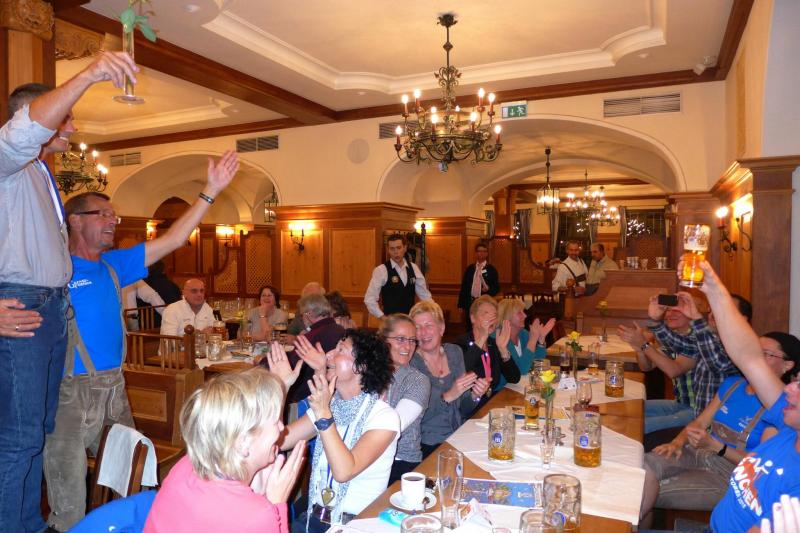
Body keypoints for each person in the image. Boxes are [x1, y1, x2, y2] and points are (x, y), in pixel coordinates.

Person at [44, 151, 239, 531]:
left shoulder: (114, 265)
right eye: (102, 214)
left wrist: (211, 191)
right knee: (69, 504)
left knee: (133, 479)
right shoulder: (55, 269)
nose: (112, 221)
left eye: (113, 216)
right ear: (74, 220)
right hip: (70, 395)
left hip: (114, 388)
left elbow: (175, 238)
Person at [0, 50, 139, 533]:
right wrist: (92, 72)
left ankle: (29, 524)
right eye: (65, 118)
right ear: (33, 118)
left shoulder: (38, 174)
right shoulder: (9, 161)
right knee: (19, 438)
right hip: (25, 303)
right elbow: (21, 134)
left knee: (36, 433)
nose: (73, 127)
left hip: (50, 308)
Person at [675, 261, 800, 532]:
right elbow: (749, 358)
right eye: (796, 382)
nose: (790, 388)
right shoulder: (790, 428)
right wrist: (713, 288)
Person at [641, 332, 799, 518]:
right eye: (755, 351)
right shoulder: (733, 385)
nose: (756, 358)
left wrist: (717, 446)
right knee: (641, 470)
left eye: (766, 353)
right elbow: (700, 422)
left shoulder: (783, 411)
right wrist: (676, 443)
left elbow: (757, 466)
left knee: (647, 491)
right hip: (698, 452)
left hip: (729, 474)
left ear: (788, 365)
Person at [143, 368, 306, 533]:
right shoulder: (259, 515)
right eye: (275, 422)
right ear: (243, 443)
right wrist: (277, 502)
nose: (282, 427)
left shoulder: (185, 465)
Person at [281, 329, 400, 532]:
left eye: (340, 349)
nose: (328, 355)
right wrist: (282, 387)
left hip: (354, 525)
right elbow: (280, 441)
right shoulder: (329, 406)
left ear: (361, 366)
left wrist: (323, 415)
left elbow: (344, 471)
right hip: (313, 519)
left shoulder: (384, 417)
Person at [409, 301, 489, 457]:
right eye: (417, 327)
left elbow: (463, 408)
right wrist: (448, 396)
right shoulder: (412, 363)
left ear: (442, 328)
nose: (423, 332)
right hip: (424, 444)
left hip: (457, 436)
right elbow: (415, 417)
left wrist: (475, 395)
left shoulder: (454, 352)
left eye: (428, 325)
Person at [618, 302, 699, 434]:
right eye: (668, 310)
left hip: (698, 411)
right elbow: (647, 367)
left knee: (634, 427)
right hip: (679, 403)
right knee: (625, 409)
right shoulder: (676, 338)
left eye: (677, 310)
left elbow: (674, 370)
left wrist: (644, 344)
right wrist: (639, 350)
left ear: (692, 313)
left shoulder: (697, 339)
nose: (670, 314)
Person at [379, 314, 431, 483]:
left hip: (401, 463)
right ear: (383, 340)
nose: (408, 347)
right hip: (365, 458)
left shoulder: (418, 381)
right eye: (400, 339)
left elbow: (393, 427)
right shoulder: (367, 373)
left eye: (412, 340)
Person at [279, 294, 345, 405]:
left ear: (309, 314)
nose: (302, 319)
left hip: (305, 396)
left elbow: (291, 364)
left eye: (302, 315)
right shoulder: (340, 329)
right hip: (334, 391)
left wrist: (262, 361)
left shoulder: (311, 337)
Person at [456, 295, 521, 397]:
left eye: (494, 315)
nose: (491, 319)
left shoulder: (493, 344)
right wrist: (482, 338)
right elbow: (461, 371)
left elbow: (514, 378)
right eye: (486, 313)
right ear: (473, 318)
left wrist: (503, 350)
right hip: (469, 404)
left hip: (491, 401)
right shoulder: (459, 344)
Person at [364, 234, 432, 318]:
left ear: (405, 248)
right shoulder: (381, 270)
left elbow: (425, 296)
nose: (396, 252)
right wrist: (382, 317)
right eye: (392, 249)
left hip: (410, 319)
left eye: (399, 248)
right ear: (388, 250)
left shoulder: (414, 268)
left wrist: (434, 312)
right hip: (391, 320)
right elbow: (369, 299)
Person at [495, 299, 554, 388]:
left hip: (519, 386)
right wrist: (533, 340)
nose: (525, 315)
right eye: (519, 313)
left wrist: (541, 339)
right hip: (502, 390)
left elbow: (536, 363)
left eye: (523, 312)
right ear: (507, 317)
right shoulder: (499, 339)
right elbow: (521, 370)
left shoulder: (523, 333)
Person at [457, 241, 500, 328]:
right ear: (476, 253)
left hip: (484, 303)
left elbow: (496, 288)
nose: (481, 253)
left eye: (484, 251)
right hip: (470, 303)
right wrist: (460, 305)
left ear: (487, 254)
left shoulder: (491, 270)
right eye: (479, 251)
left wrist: (488, 289)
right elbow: (464, 287)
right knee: (470, 326)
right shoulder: (470, 269)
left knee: (482, 326)